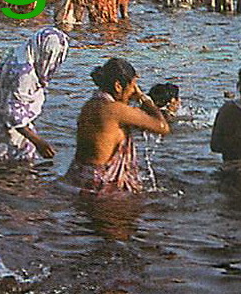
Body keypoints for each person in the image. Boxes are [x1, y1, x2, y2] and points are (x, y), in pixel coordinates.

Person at [64, 58, 170, 194]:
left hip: (78, 179)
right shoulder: (116, 110)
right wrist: (143, 98)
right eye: (133, 86)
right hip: (101, 186)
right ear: (118, 86)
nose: (133, 92)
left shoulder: (90, 105)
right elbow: (162, 127)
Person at [0, 27, 69, 163]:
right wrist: (38, 141)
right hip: (6, 128)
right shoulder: (23, 74)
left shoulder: (21, 54)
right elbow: (12, 113)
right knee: (11, 166)